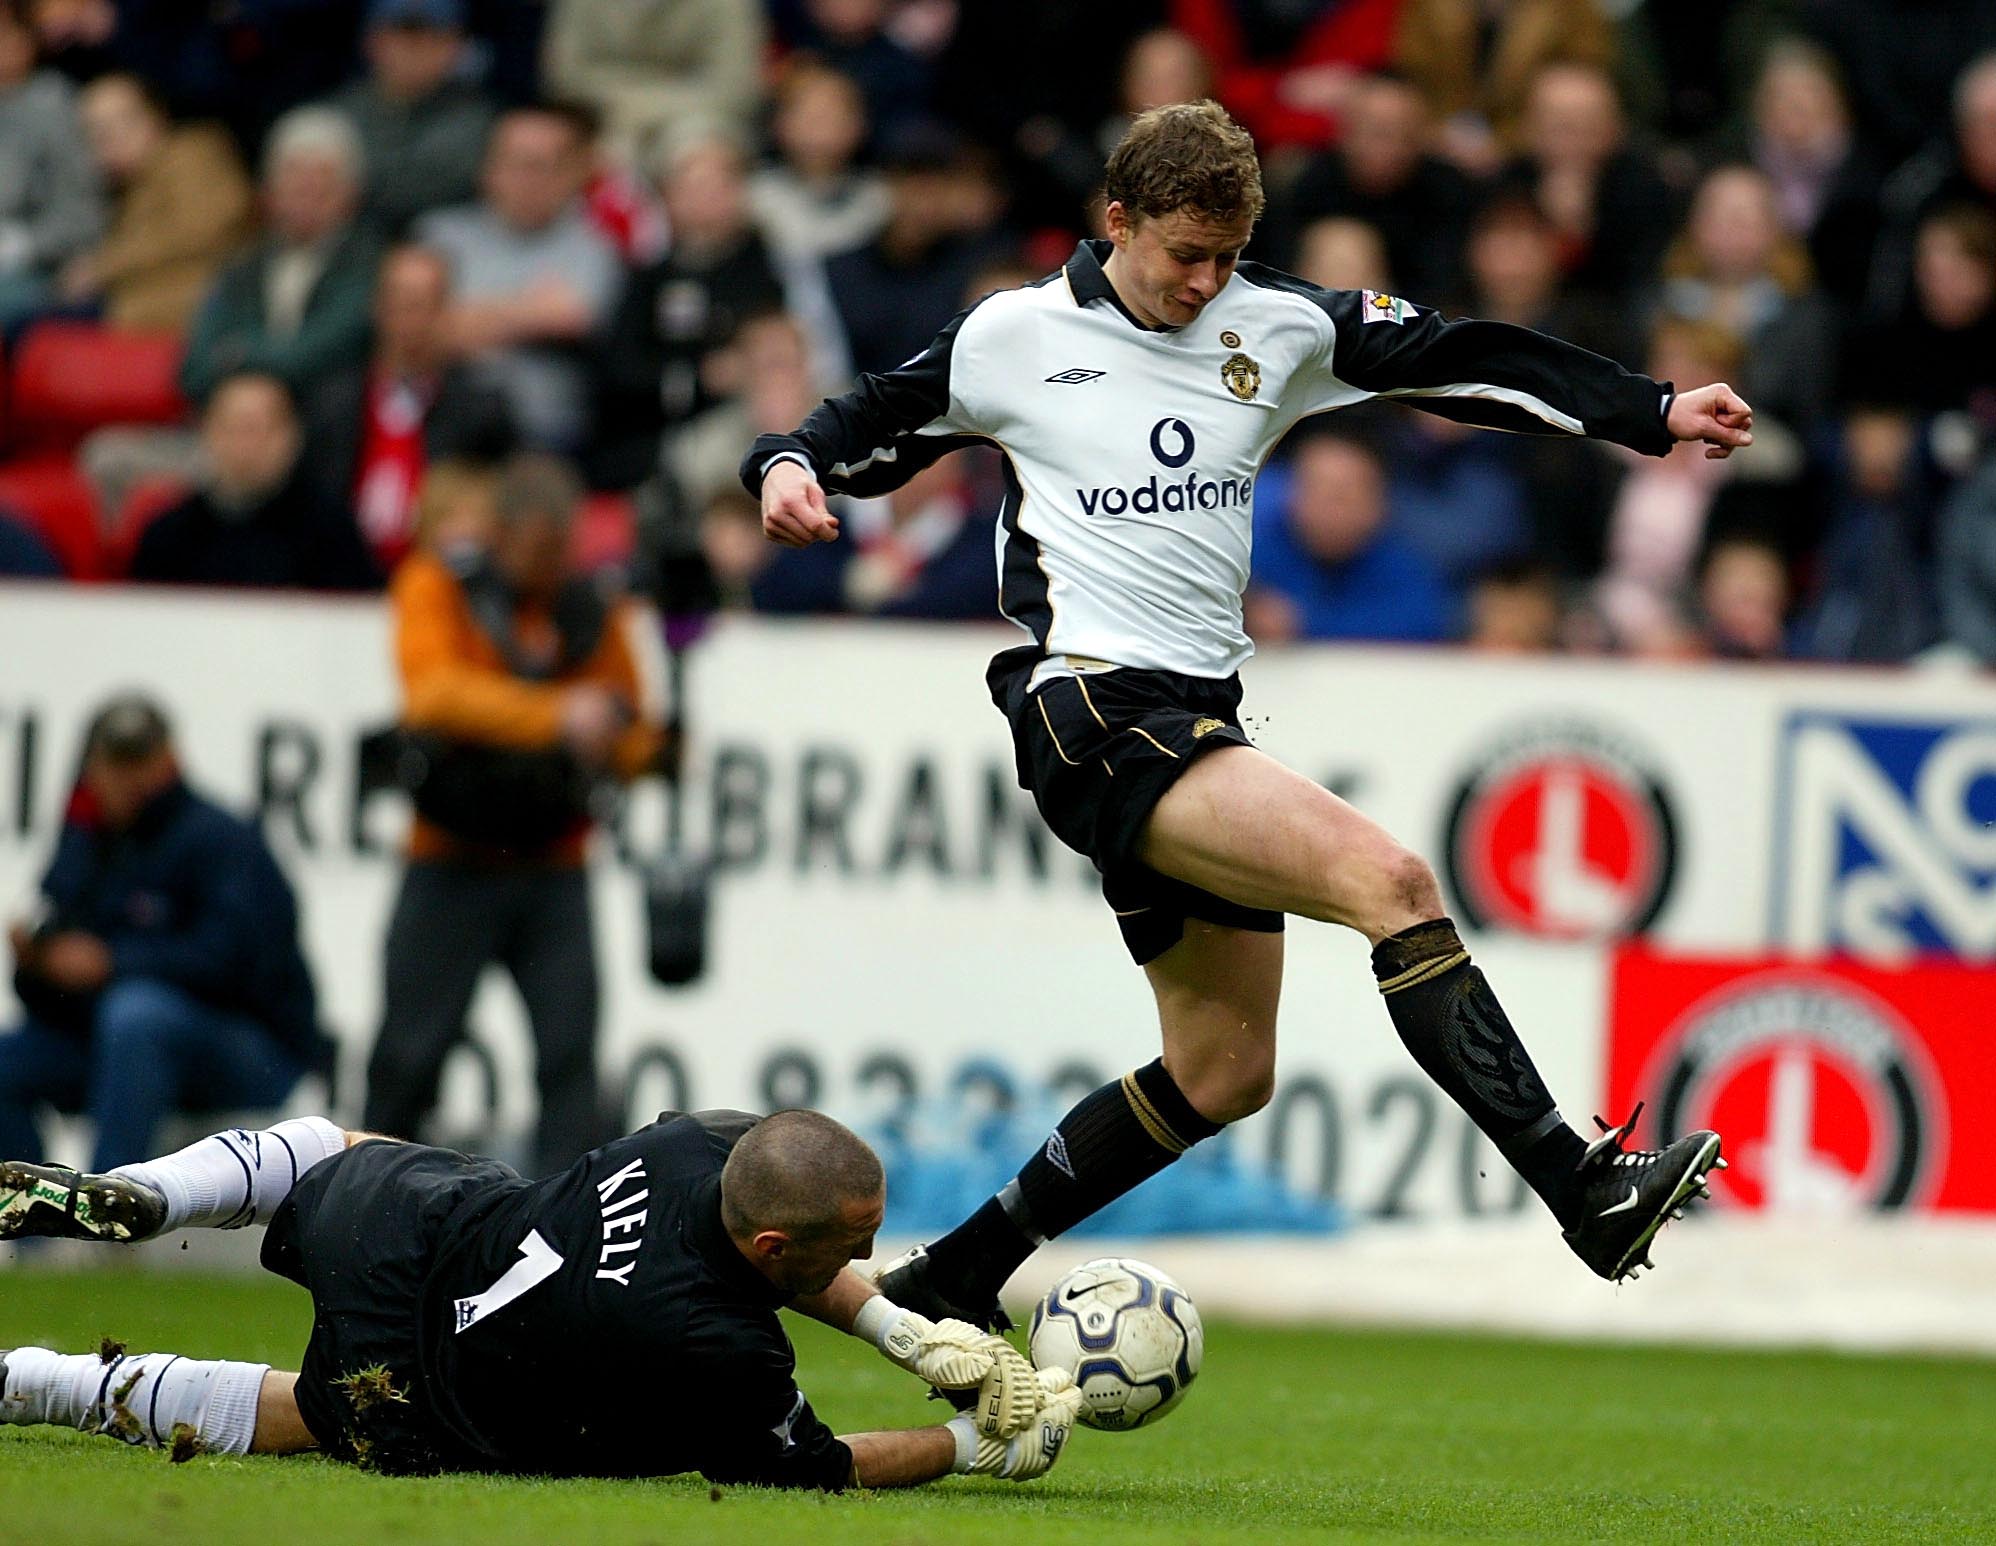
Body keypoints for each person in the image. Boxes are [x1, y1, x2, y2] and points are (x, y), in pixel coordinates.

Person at [745, 101, 1745, 1320]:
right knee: (1392, 883)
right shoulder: (1012, 336)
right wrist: (786, 466)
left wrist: (1645, 411)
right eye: (1183, 255)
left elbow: (1457, 358)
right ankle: (1578, 1184)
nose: (1205, 283)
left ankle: (961, 1270)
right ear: (1117, 221)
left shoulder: (1271, 325)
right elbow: (864, 424)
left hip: (1194, 717)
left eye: (1226, 256)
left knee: (1223, 1070)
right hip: (1089, 713)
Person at [0, 1107, 1082, 1486]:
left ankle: (153, 1192)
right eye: (861, 1244)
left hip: (405, 1226)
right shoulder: (723, 1351)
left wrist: (898, 1324)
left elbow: (774, 1240)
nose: (876, 1253)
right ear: (769, 1241)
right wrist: (974, 1448)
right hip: (415, 1393)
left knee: (347, 1148)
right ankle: (30, 1385)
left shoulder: (696, 1140)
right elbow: (814, 1466)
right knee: (310, 1412)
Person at [361, 455, 663, 1174]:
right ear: (499, 535)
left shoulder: (590, 605)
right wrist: (556, 715)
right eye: (537, 549)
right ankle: (361, 1204)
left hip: (553, 863)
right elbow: (431, 696)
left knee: (568, 1059)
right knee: (409, 1054)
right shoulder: (437, 584)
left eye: (562, 550)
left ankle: (563, 1230)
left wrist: (637, 741)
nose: (549, 567)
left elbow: (629, 727)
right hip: (449, 858)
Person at [0, 696, 324, 1171]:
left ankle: (107, 1212)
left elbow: (235, 964)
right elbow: (51, 998)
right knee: (10, 1060)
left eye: (142, 761)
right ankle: (25, 1230)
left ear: (171, 759)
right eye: (116, 763)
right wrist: (40, 965)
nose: (130, 778)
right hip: (118, 1048)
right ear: (91, 768)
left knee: (139, 1016)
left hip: (251, 1053)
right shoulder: (87, 844)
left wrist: (111, 964)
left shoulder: (222, 839)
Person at [415, 103, 622, 453]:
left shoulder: (596, 248)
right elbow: (416, 326)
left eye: (545, 166)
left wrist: (464, 316)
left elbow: (575, 317)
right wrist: (531, 312)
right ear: (488, 169)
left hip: (546, 436)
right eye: (517, 164)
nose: (531, 180)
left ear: (572, 175)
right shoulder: (439, 236)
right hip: (440, 422)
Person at [302, 245, 519, 574]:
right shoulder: (332, 404)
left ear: (446, 312)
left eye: (423, 306)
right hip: (340, 584)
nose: (409, 320)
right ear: (377, 308)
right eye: (399, 304)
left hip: (440, 580)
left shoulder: (482, 412)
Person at [129, 371, 381, 592]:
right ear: (207, 433)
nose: (246, 445)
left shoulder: (331, 532)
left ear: (292, 437)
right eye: (232, 428)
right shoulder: (168, 537)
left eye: (259, 429)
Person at [61, 72, 253, 331]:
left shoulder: (193, 153)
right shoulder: (124, 187)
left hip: (200, 298)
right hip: (137, 300)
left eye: (123, 122)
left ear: (157, 116)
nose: (110, 140)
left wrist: (101, 268)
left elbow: (197, 229)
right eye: (96, 131)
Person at [1243, 430, 1453, 644]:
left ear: (1378, 502)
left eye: (1342, 497)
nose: (1327, 510)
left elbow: (1422, 625)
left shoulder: (1406, 565)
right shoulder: (1251, 557)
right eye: (1315, 492)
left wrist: (1303, 625)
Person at [328, 0, 497, 240]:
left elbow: (446, 186)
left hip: (451, 248)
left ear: (456, 46)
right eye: (402, 36)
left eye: (433, 37)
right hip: (348, 245)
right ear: (372, 41)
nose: (416, 49)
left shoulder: (479, 118)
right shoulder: (337, 113)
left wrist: (359, 185)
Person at [0, 0, 103, 329]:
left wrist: (23, 245)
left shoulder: (53, 104)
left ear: (26, 39)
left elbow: (85, 215)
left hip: (45, 270)